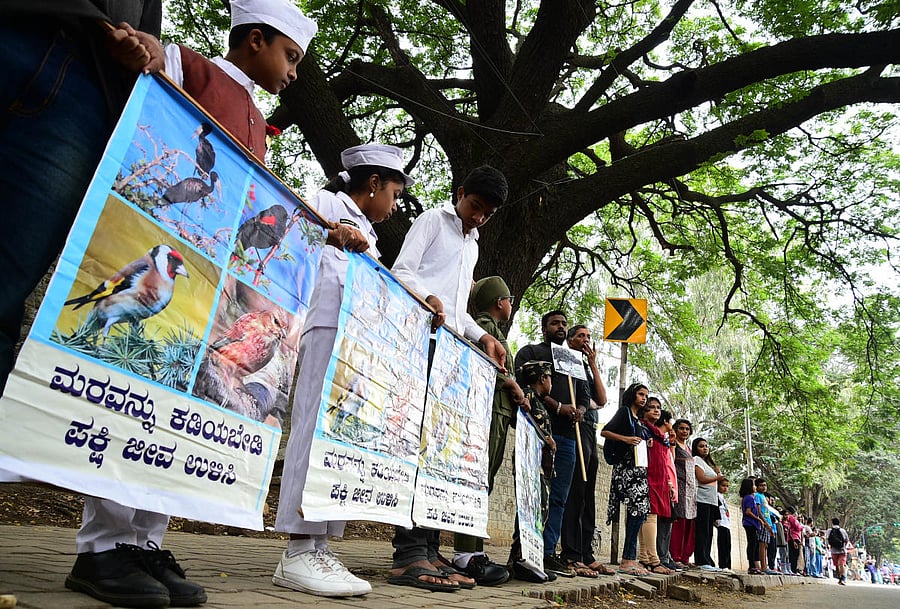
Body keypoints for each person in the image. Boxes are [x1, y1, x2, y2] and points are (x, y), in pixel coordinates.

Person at [67, 2, 317, 606]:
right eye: (289, 56)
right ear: (254, 40)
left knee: (178, 409)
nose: (291, 73)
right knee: (139, 398)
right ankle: (101, 547)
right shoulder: (191, 66)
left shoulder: (260, 120)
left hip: (210, 278)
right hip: (172, 256)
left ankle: (146, 542)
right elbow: (153, 62)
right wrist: (150, 55)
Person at [273, 144, 413, 597]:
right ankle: (297, 548)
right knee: (312, 430)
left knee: (340, 438)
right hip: (325, 328)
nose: (394, 206)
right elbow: (291, 237)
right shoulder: (327, 203)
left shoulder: (370, 234)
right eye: (393, 193)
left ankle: (320, 544)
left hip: (355, 343)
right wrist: (331, 234)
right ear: (372, 184)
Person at [388, 165, 510, 591]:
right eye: (475, 206)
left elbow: (459, 314)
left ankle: (429, 546)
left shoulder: (473, 245)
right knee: (416, 445)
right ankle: (407, 553)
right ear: (460, 193)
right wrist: (428, 297)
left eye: (487, 214)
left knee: (437, 450)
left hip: (451, 356)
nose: (478, 218)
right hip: (420, 342)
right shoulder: (431, 222)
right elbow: (401, 272)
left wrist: (483, 338)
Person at [448, 276, 524, 585]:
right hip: (487, 411)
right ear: (498, 302)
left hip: (500, 413)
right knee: (477, 480)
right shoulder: (484, 329)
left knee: (486, 482)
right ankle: (466, 552)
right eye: (508, 298)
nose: (510, 303)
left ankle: (474, 549)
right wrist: (511, 384)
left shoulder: (492, 330)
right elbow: (482, 368)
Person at [514, 311, 591, 577]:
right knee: (532, 493)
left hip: (568, 439)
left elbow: (584, 395)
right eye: (555, 323)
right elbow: (524, 387)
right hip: (537, 431)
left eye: (564, 323)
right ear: (544, 327)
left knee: (558, 498)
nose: (560, 327)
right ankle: (522, 550)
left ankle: (547, 553)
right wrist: (558, 407)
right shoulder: (531, 352)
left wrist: (579, 410)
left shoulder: (574, 359)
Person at [559, 325, 613, 577]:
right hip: (574, 429)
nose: (586, 340)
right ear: (570, 340)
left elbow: (600, 400)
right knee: (576, 493)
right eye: (581, 336)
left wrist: (593, 365)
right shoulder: (565, 362)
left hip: (590, 429)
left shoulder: (586, 369)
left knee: (588, 495)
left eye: (589, 337)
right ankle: (571, 553)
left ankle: (586, 552)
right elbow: (582, 400)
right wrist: (584, 403)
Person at [507, 360, 557, 583]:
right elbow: (524, 421)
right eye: (550, 378)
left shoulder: (537, 400)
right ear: (542, 378)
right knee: (530, 511)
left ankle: (528, 560)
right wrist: (546, 438)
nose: (551, 383)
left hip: (540, 465)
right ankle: (520, 559)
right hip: (531, 465)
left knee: (538, 512)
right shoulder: (527, 397)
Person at [600, 382, 651, 576]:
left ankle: (631, 557)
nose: (644, 398)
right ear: (632, 395)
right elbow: (604, 431)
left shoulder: (638, 419)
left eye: (646, 395)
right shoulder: (624, 412)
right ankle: (627, 560)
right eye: (640, 394)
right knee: (637, 511)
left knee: (639, 513)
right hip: (626, 471)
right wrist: (626, 439)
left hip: (638, 472)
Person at [637, 401, 676, 574]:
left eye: (658, 408)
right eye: (651, 407)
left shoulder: (660, 436)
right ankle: (653, 560)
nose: (655, 410)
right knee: (649, 516)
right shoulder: (642, 429)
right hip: (647, 476)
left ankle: (645, 557)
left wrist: (668, 483)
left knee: (651, 516)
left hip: (660, 479)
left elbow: (666, 462)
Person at [692, 437, 725, 571]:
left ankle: (707, 559)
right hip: (702, 500)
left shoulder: (707, 463)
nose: (705, 448)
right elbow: (701, 478)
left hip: (711, 501)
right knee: (702, 531)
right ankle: (701, 560)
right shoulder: (696, 460)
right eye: (701, 446)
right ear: (696, 448)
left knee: (709, 532)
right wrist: (718, 477)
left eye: (706, 446)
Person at [669, 418, 696, 567]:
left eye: (687, 429)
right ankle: (675, 555)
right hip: (678, 485)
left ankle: (685, 557)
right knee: (679, 521)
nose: (684, 431)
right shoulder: (674, 445)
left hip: (691, 490)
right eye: (681, 428)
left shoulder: (688, 448)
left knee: (689, 523)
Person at [739, 477, 765, 574]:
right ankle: (751, 566)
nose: (755, 487)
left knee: (753, 545)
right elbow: (748, 512)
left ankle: (753, 566)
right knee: (752, 545)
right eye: (754, 485)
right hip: (750, 524)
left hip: (752, 524)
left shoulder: (750, 497)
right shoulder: (749, 498)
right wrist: (759, 519)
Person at [753, 478, 778, 574]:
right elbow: (759, 511)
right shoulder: (758, 496)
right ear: (757, 486)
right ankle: (763, 566)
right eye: (761, 485)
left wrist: (770, 525)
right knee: (762, 544)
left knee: (766, 545)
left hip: (768, 523)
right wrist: (765, 523)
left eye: (765, 485)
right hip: (763, 523)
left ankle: (765, 565)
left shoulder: (764, 497)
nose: (764, 487)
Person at [714, 478, 732, 572]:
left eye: (727, 486)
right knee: (722, 545)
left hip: (726, 523)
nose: (725, 488)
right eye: (723, 485)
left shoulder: (722, 497)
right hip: (721, 523)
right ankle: (723, 565)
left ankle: (728, 565)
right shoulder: (716, 495)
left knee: (728, 545)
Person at [828, 517, 850, 585]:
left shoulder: (829, 530)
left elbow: (828, 540)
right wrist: (843, 546)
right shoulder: (843, 531)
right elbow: (846, 540)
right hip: (842, 550)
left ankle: (840, 578)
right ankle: (843, 578)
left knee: (837, 565)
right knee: (842, 564)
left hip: (834, 551)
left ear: (832, 523)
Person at [784, 507, 803, 575]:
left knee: (794, 554)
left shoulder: (791, 518)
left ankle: (793, 569)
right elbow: (797, 527)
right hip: (794, 538)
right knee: (794, 554)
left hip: (795, 538)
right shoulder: (791, 517)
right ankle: (793, 569)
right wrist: (801, 527)